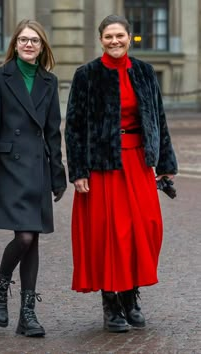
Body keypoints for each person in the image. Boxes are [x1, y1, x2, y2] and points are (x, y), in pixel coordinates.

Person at [65, 14, 178, 333]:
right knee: (109, 233)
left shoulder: (144, 71)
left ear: (130, 36)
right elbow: (73, 126)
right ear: (100, 40)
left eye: (120, 36)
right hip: (102, 165)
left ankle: (131, 296)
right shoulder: (86, 75)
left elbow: (159, 117)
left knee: (144, 228)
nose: (115, 41)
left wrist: (166, 164)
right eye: (108, 37)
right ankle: (111, 303)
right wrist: (78, 170)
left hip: (139, 162)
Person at [0, 19, 66, 337]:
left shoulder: (49, 81)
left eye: (35, 41)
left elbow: (53, 132)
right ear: (15, 44)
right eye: (23, 40)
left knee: (33, 238)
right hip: (9, 168)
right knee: (25, 237)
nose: (29, 45)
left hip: (38, 168)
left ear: (43, 47)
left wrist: (58, 174)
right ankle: (0, 286)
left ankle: (27, 314)